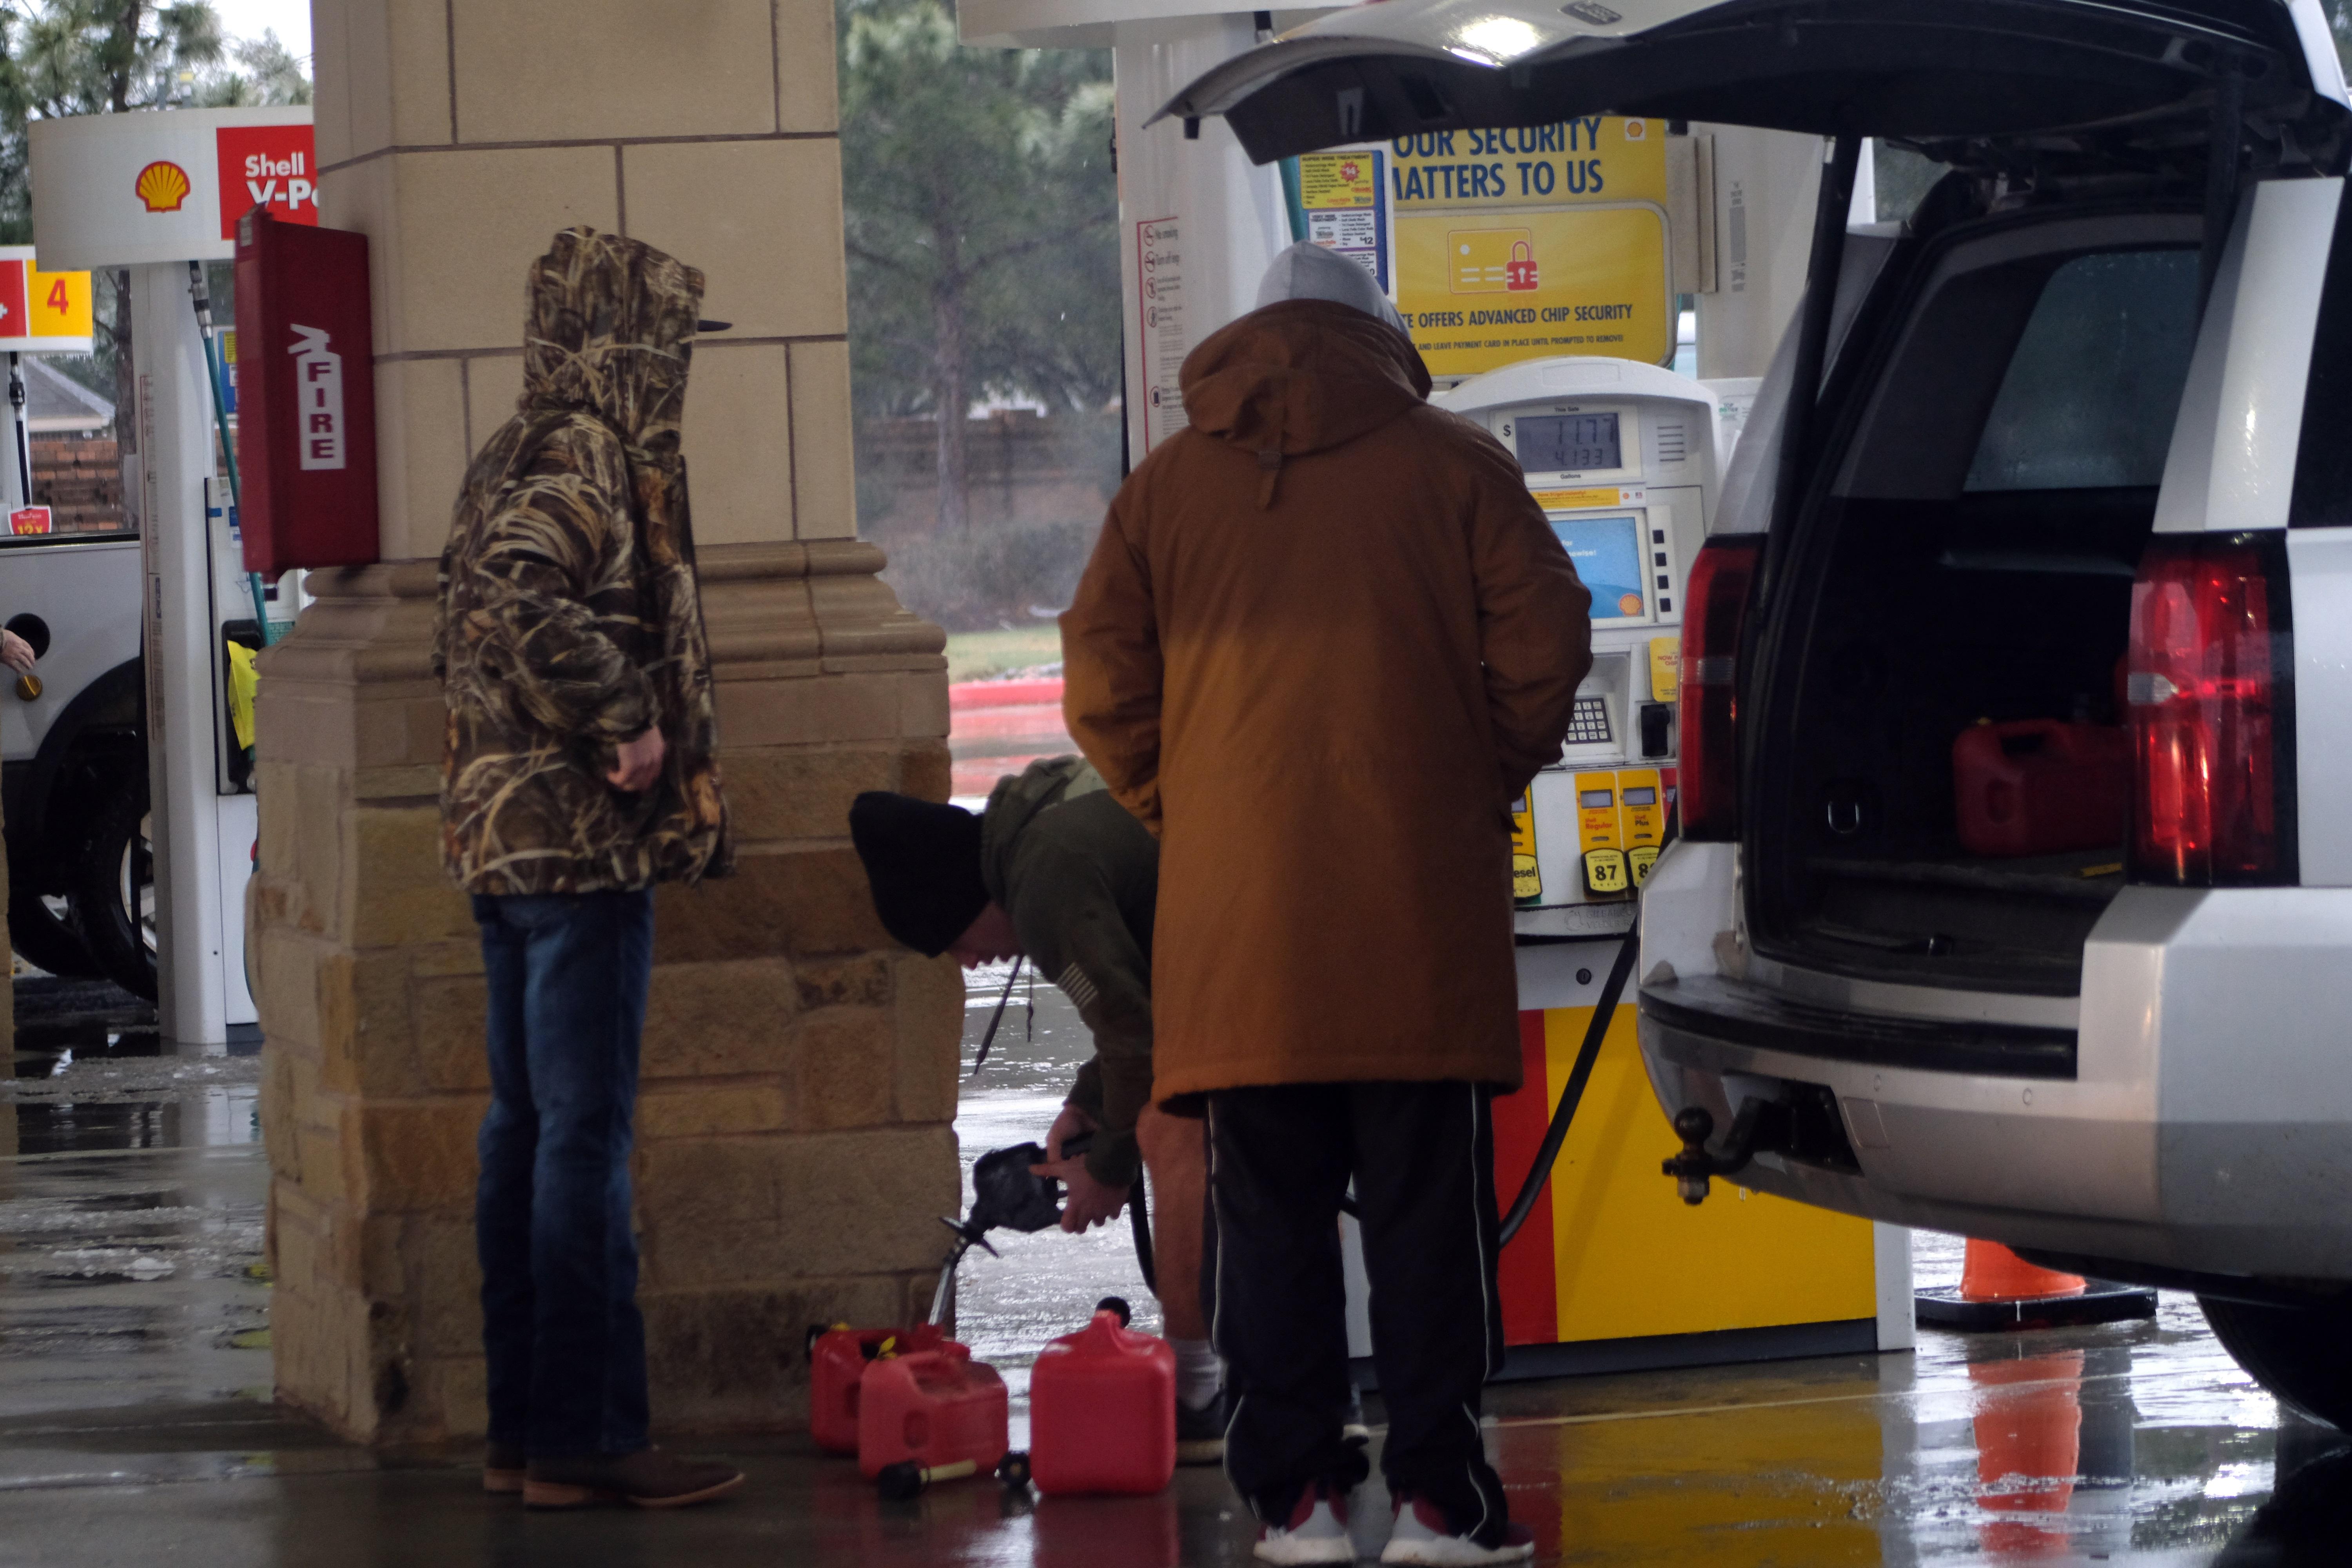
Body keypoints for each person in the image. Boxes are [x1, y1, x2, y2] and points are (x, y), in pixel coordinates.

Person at [1060, 242, 1593, 1567]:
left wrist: (1196, 811)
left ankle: (1293, 1503)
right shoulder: (1459, 466)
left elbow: (1099, 680)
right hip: (1413, 913)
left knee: (1271, 1222)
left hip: (1243, 935)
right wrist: (1472, 779)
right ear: (1382, 339)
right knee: (1425, 1222)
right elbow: (1549, 642)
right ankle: (1434, 1504)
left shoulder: (1165, 488)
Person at [434, 227, 740, 1511]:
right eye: (666, 343)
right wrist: (624, 717)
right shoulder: (583, 455)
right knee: (581, 1145)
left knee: (527, 1136)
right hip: (575, 848)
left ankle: (526, 1435)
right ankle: (591, 1437)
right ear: (626, 340)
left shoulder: (511, 444)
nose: (675, 369)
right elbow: (520, 593)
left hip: (504, 846)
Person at [849, 755, 1228, 1461]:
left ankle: (1199, 1392)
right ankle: (1309, 1387)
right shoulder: (1044, 826)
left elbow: (1141, 1043)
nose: (966, 963)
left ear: (966, 904)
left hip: (1275, 945)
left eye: (954, 942)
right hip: (1257, 938)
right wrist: (1089, 1102)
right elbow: (1151, 999)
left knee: (1172, 1128)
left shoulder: (1044, 883)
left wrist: (1110, 1168)